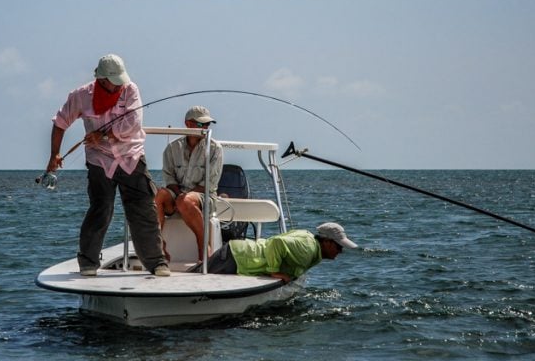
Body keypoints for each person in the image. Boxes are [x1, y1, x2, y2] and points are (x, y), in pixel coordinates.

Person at [45, 54, 170, 277]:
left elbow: (134, 124)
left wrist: (103, 134)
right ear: (102, 79)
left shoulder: (130, 89)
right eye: (115, 80)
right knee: (100, 209)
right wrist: (54, 154)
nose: (120, 84)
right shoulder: (81, 95)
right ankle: (88, 262)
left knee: (143, 208)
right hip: (99, 160)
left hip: (130, 156)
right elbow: (60, 122)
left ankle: (156, 262)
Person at [155, 105, 223, 261]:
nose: (205, 128)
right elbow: (169, 178)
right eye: (201, 124)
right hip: (178, 194)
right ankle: (159, 247)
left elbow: (209, 184)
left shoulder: (215, 149)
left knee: (185, 201)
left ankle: (203, 246)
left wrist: (183, 198)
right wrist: (179, 196)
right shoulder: (172, 148)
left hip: (205, 196)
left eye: (207, 125)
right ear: (188, 124)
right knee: (159, 195)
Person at [195, 222, 357, 282]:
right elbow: (277, 243)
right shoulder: (308, 249)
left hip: (238, 255)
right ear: (327, 242)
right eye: (339, 246)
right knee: (194, 279)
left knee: (195, 276)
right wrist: (275, 272)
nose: (340, 251)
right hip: (236, 257)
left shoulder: (310, 242)